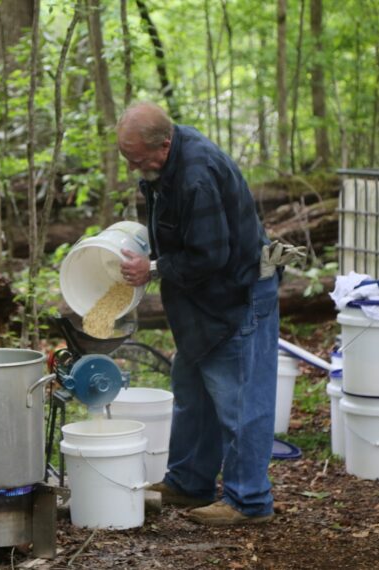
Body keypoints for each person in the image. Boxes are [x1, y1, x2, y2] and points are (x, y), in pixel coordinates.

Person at [118, 101, 285, 526]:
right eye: (127, 159)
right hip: (200, 303)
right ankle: (189, 482)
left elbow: (211, 255)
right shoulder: (165, 163)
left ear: (164, 144)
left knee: (238, 401)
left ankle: (249, 502)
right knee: (191, 393)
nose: (134, 168)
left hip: (236, 296)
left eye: (138, 159)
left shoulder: (197, 177)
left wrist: (152, 269)